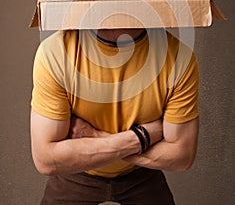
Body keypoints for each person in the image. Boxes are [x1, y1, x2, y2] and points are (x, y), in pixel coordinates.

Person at [30, 27, 199, 204]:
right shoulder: (56, 52)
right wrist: (142, 138)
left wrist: (97, 137)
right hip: (76, 172)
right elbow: (46, 159)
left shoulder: (178, 57)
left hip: (140, 173)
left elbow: (182, 157)